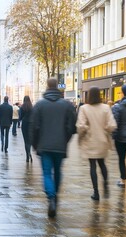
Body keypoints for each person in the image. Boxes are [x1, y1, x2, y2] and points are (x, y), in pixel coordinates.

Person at [30, 77, 76, 218]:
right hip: (60, 145)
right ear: (58, 87)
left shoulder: (39, 105)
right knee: (58, 171)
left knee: (46, 173)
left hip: (44, 146)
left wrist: (35, 144)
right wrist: (65, 140)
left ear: (47, 86)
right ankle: (55, 196)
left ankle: (51, 197)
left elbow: (34, 127)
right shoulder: (67, 105)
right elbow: (72, 127)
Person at [76, 87, 117, 201]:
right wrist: (105, 130)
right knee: (102, 163)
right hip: (102, 140)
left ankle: (96, 192)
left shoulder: (84, 108)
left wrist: (87, 130)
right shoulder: (106, 108)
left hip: (90, 140)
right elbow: (112, 125)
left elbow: (80, 126)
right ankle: (106, 184)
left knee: (92, 166)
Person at [19, 96, 33, 162]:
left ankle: (27, 156)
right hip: (31, 124)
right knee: (29, 140)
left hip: (24, 124)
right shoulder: (32, 107)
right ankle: (29, 152)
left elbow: (20, 117)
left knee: (25, 140)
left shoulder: (22, 107)